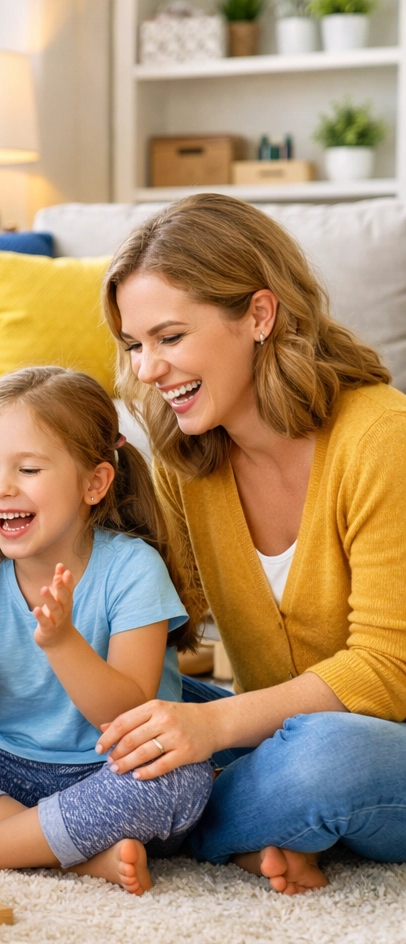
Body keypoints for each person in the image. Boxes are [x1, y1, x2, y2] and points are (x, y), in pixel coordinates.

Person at [96, 192, 406, 895]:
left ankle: (166, 825)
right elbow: (161, 630)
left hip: (378, 739)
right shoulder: (189, 458)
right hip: (279, 726)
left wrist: (212, 729)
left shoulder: (382, 438)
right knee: (128, 726)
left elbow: (389, 670)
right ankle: (252, 823)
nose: (146, 370)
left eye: (169, 338)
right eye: (135, 345)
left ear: (259, 316)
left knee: (324, 760)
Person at [0, 367, 214, 895]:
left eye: (29, 469)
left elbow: (127, 714)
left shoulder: (132, 568)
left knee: (181, 777)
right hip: (9, 768)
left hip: (113, 770)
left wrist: (63, 643)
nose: (2, 489)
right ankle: (70, 853)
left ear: (94, 483)